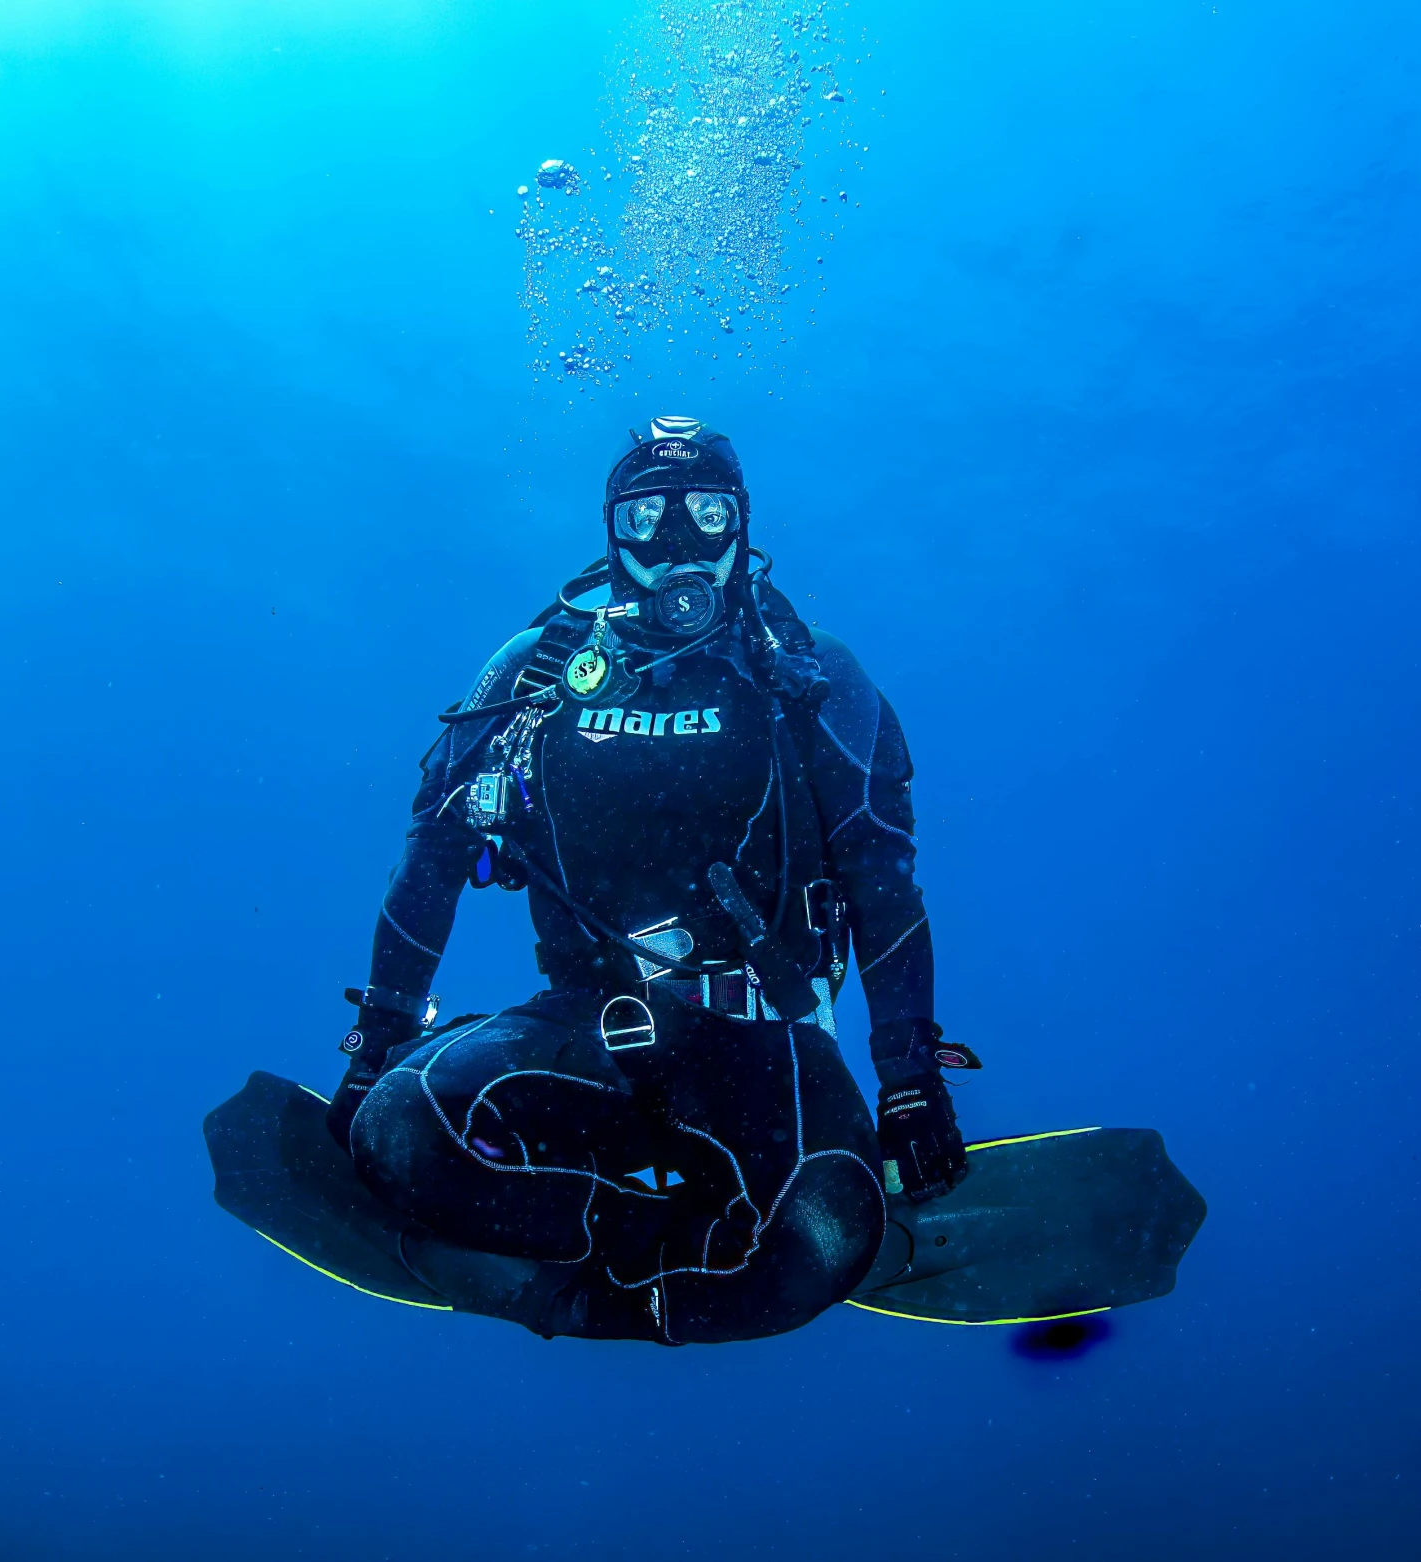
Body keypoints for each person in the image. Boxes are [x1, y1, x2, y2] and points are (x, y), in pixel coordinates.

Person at [324, 416, 979, 1345]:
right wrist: (377, 1042)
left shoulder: (813, 677)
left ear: (743, 526)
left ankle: (624, 1248)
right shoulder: (537, 673)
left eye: (707, 513)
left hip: (769, 1035)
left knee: (830, 1236)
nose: (678, 544)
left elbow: (882, 875)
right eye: (646, 518)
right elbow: (434, 853)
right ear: (609, 529)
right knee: (396, 1131)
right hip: (582, 1023)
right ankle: (651, 1247)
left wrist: (909, 1075)